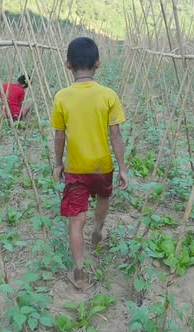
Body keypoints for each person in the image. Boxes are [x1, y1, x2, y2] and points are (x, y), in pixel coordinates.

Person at [51, 37, 128, 290]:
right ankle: (98, 230)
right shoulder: (108, 95)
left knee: (75, 220)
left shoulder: (62, 97)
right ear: (98, 63)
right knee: (103, 199)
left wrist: (58, 164)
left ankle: (79, 272)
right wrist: (123, 168)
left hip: (75, 168)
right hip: (101, 167)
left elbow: (59, 135)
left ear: (67, 65)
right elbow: (115, 135)